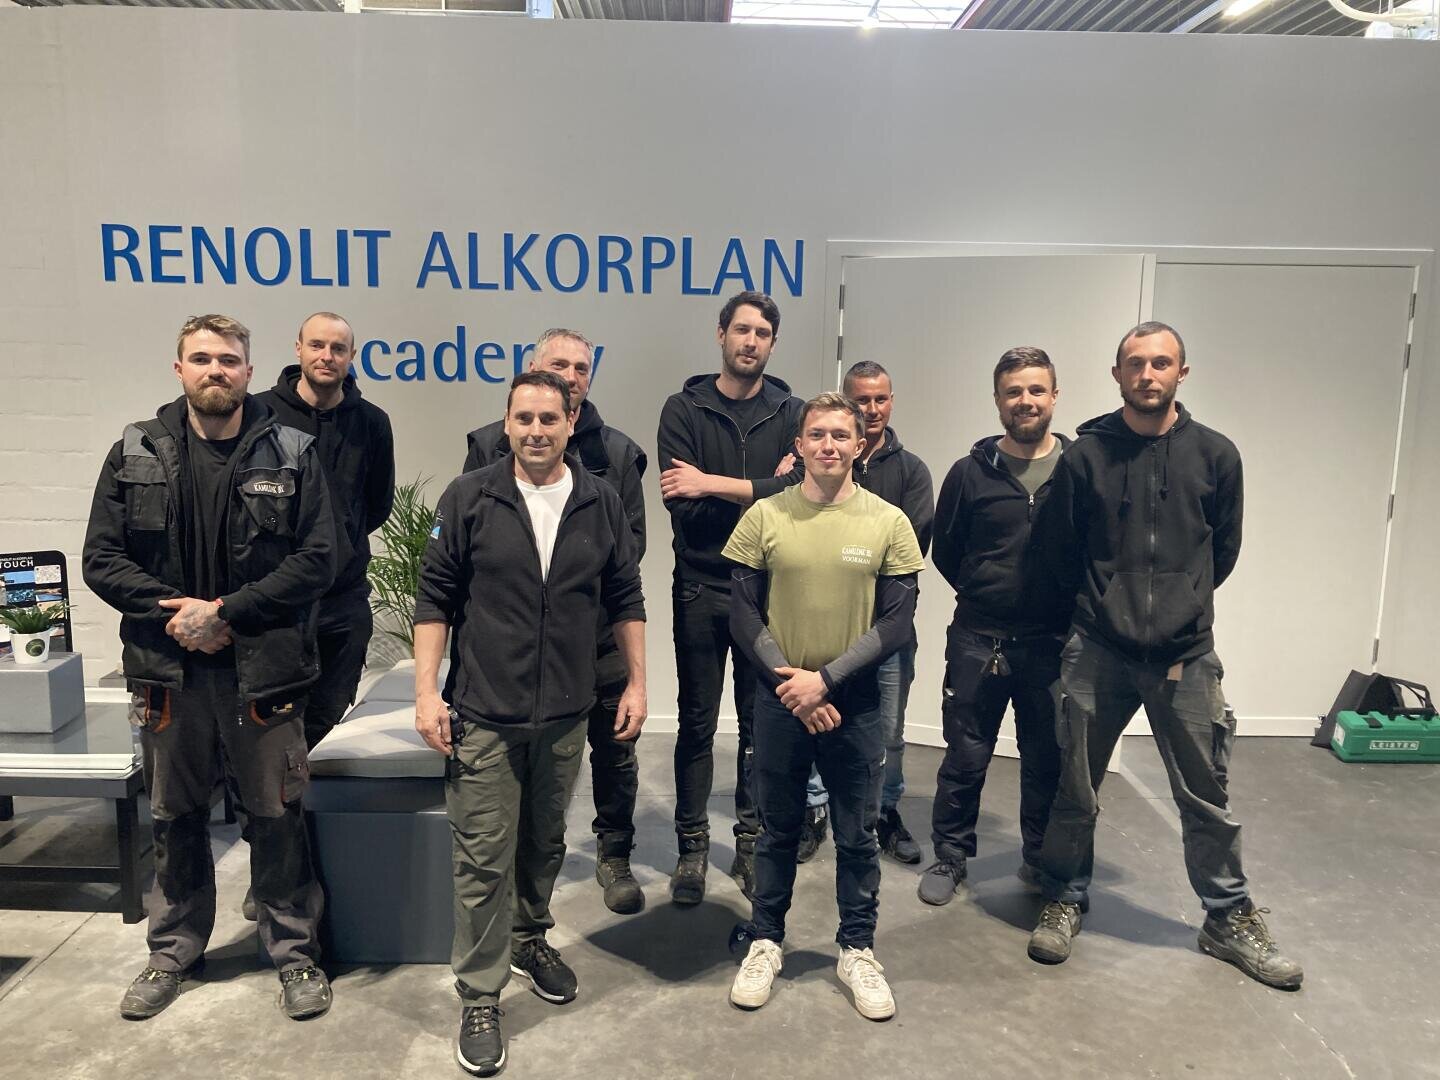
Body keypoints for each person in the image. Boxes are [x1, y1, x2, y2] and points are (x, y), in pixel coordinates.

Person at [1026, 321, 1303, 991]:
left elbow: (1223, 551)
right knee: (1077, 787)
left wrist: (1181, 608)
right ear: (1116, 375)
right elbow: (1059, 553)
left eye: (1161, 363)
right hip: (1097, 652)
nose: (1147, 374)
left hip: (1185, 657)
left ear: (1182, 372)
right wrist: (1103, 610)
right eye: (1135, 364)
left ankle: (1227, 916)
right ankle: (1065, 894)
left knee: (1206, 796)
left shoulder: (1215, 455)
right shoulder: (1087, 458)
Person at [83, 314, 336, 1021]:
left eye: (228, 359)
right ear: (179, 369)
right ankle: (173, 951)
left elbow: (319, 559)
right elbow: (101, 559)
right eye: (201, 359)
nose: (215, 370)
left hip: (264, 674)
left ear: (250, 371)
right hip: (169, 672)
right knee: (174, 817)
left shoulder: (292, 453)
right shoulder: (134, 450)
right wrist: (179, 612)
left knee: (277, 815)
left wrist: (227, 610)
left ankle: (293, 954)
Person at [414, 371, 647, 1077]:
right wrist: (428, 693)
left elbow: (625, 593)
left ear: (570, 422)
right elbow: (434, 598)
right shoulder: (470, 497)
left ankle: (528, 936)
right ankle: (480, 995)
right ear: (507, 423)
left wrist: (638, 680)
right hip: (485, 712)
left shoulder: (599, 499)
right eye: (525, 418)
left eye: (551, 417)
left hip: (568, 711)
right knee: (484, 856)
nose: (538, 430)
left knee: (544, 841)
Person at [724, 393, 924, 1021]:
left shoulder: (888, 521)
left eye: (842, 435)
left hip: (856, 704)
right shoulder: (764, 515)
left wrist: (827, 681)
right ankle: (765, 941)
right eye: (818, 435)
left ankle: (858, 949)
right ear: (801, 445)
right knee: (778, 830)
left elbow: (896, 622)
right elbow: (741, 611)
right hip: (780, 700)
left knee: (858, 836)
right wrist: (796, 685)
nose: (830, 445)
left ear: (860, 445)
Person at [462, 328, 648, 915]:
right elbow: (468, 551)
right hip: (518, 648)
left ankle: (614, 853)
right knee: (525, 769)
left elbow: (629, 552)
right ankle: (520, 871)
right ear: (533, 371)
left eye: (581, 368)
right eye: (558, 365)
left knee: (615, 746)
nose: (571, 376)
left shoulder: (619, 453)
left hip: (593, 636)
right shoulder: (487, 444)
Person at [656, 290, 804, 903]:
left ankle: (749, 843)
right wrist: (762, 489)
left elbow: (800, 491)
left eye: (762, 333)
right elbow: (679, 501)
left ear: (772, 343)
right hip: (697, 584)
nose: (750, 342)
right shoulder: (683, 407)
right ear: (721, 335)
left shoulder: (790, 410)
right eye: (741, 330)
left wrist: (715, 482)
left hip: (764, 591)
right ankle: (692, 848)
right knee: (695, 722)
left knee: (757, 725)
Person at [918, 347, 1069, 905]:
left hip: (1052, 643)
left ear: (1054, 396)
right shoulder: (969, 473)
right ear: (998, 401)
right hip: (978, 639)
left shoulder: (1079, 470)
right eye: (1013, 392)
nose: (1024, 401)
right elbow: (948, 551)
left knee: (1046, 756)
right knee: (965, 753)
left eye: (1035, 390)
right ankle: (950, 856)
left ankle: (1040, 858)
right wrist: (988, 593)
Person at [797, 361, 933, 866]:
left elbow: (907, 550)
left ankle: (884, 813)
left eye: (880, 399)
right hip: (824, 627)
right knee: (817, 722)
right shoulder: (816, 462)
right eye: (861, 400)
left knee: (890, 731)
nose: (871, 409)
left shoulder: (912, 471)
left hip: (889, 632)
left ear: (891, 402)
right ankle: (815, 809)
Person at [259, 311, 394, 751]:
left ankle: (318, 817)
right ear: (298, 349)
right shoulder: (259, 414)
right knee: (270, 728)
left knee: (329, 722)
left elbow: (376, 505)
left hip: (343, 600)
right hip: (276, 601)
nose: (327, 356)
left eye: (338, 349)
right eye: (317, 345)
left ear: (351, 357)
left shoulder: (372, 423)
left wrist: (340, 541)